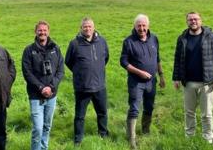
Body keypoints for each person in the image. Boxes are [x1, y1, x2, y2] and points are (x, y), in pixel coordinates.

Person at [172, 12, 213, 144]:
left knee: (206, 114)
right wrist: (176, 78)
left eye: (196, 19)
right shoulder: (182, 38)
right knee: (189, 112)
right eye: (190, 20)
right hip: (188, 83)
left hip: (207, 83)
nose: (193, 21)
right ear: (187, 22)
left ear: (201, 20)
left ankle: (208, 138)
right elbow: (177, 59)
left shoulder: (211, 36)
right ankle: (189, 135)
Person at [120, 14, 165, 149]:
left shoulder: (154, 39)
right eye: (139, 26)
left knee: (149, 106)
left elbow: (157, 58)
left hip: (152, 82)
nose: (142, 28)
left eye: (144, 25)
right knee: (134, 108)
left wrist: (161, 76)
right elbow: (123, 62)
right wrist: (139, 72)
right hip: (136, 82)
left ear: (148, 26)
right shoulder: (128, 41)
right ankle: (132, 139)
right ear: (135, 26)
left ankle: (145, 130)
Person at [65, 17, 110, 146]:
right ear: (81, 28)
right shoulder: (74, 44)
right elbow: (68, 62)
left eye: (90, 26)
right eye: (85, 27)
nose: (87, 29)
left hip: (99, 85)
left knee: (102, 112)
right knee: (80, 116)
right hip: (82, 87)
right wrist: (80, 72)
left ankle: (103, 134)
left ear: (94, 27)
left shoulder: (102, 41)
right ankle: (78, 139)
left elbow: (106, 58)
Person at [22, 20, 65, 150]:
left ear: (48, 32)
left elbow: (60, 70)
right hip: (36, 96)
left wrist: (51, 87)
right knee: (38, 128)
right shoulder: (29, 50)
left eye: (44, 30)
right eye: (40, 30)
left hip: (52, 95)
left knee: (47, 126)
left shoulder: (55, 48)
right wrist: (41, 87)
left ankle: (44, 148)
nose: (42, 32)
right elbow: (27, 73)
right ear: (35, 32)